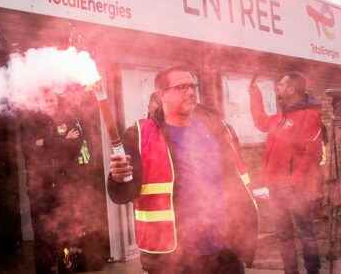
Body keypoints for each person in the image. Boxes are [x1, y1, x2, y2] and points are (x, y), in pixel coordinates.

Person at [107, 66, 258, 274]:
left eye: (192, 86)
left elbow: (236, 178)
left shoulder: (215, 127)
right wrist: (117, 178)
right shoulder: (140, 135)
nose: (190, 92)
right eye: (181, 87)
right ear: (162, 95)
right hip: (173, 259)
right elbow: (123, 194)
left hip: (225, 251)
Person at [21, 86, 106, 273]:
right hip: (40, 190)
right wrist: (62, 141)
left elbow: (75, 146)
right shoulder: (32, 123)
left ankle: (67, 268)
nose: (49, 104)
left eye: (52, 100)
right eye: (46, 101)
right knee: (43, 235)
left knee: (67, 232)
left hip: (65, 188)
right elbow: (30, 147)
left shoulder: (68, 120)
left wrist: (47, 142)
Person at [248, 73, 324, 274]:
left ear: (291, 89)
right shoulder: (282, 116)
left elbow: (312, 153)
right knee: (283, 234)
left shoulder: (310, 115)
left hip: (296, 188)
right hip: (276, 187)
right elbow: (261, 122)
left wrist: (294, 181)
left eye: (280, 84)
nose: (277, 87)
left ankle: (313, 271)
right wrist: (254, 94)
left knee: (305, 233)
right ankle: (291, 271)